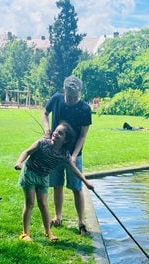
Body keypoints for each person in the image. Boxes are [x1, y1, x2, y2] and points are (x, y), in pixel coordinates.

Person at [14, 121, 94, 242]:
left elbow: (74, 170)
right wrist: (19, 162)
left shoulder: (64, 154)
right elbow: (27, 152)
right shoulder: (42, 143)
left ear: (65, 140)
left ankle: (48, 232)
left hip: (44, 177)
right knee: (30, 203)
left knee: (44, 204)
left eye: (60, 133)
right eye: (56, 131)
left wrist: (86, 182)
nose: (55, 133)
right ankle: (25, 233)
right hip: (30, 173)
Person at [41, 75, 92, 235]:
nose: (71, 99)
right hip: (55, 150)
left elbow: (83, 135)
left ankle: (81, 221)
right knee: (57, 185)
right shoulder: (56, 99)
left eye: (74, 96)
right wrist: (47, 130)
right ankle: (58, 216)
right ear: (64, 90)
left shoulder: (84, 108)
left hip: (74, 152)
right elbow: (44, 113)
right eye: (68, 96)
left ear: (79, 93)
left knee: (76, 187)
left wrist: (74, 155)